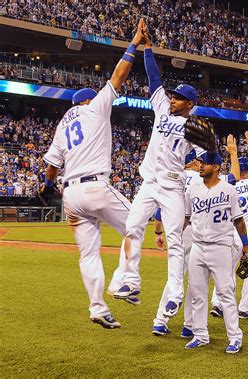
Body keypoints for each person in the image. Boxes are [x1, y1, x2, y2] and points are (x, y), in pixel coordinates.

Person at [41, 20, 146, 329]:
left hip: (70, 196)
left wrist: (47, 186)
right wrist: (134, 44)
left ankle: (98, 308)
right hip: (95, 186)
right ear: (87, 100)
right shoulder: (94, 108)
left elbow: (51, 167)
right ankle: (123, 282)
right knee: (136, 223)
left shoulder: (62, 125)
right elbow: (118, 76)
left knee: (88, 254)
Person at [114, 24, 202, 316]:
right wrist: (147, 47)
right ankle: (129, 280)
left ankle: (175, 294)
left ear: (189, 104)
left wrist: (205, 161)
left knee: (176, 239)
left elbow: (209, 158)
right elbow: (154, 78)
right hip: (150, 183)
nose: (172, 98)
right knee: (132, 227)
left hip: (174, 186)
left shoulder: (195, 126)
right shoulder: (163, 108)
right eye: (172, 95)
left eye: (178, 97)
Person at [152, 135, 240, 337]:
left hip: (177, 229)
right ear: (194, 161)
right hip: (198, 230)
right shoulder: (198, 181)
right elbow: (234, 177)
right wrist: (233, 154)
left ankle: (160, 320)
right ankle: (189, 325)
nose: (200, 164)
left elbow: (159, 213)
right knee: (196, 281)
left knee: (175, 277)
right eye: (199, 161)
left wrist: (159, 232)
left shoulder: (174, 178)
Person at [184, 151, 248, 354]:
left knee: (226, 293)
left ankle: (235, 337)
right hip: (198, 247)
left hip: (220, 247)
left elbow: (238, 220)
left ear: (215, 167)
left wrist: (247, 246)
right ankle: (200, 335)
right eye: (199, 162)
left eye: (203, 163)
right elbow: (187, 217)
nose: (199, 166)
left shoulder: (229, 190)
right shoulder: (192, 190)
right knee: (197, 293)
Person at [210, 131, 248, 319]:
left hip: (232, 230)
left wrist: (232, 153)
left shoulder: (229, 185)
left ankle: (218, 304)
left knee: (225, 268)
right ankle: (245, 308)